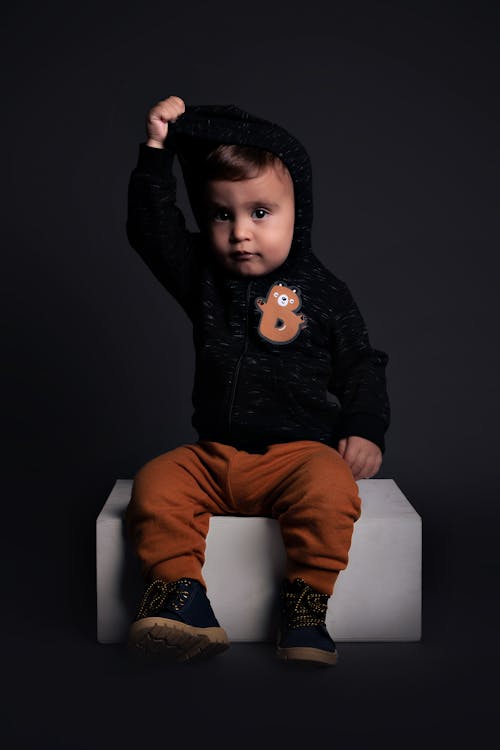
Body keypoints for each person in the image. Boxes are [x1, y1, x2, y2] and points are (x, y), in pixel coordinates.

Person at [124, 95, 390, 666]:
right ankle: (182, 599)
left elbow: (361, 363)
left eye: (261, 213)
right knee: (156, 484)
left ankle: (305, 606)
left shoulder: (323, 291)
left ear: (301, 210)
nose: (241, 232)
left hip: (297, 454)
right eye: (222, 214)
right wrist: (156, 152)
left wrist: (364, 426)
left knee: (331, 488)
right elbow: (151, 230)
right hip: (215, 457)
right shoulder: (204, 277)